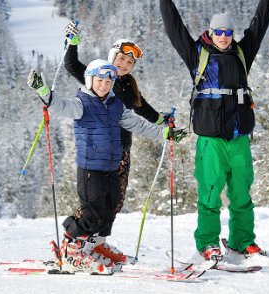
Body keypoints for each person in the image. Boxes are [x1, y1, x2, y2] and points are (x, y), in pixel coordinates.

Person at [156, 0, 269, 260]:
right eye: (219, 32)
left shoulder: (241, 52)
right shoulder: (197, 53)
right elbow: (175, 29)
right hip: (210, 138)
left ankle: (242, 240)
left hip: (238, 137)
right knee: (210, 193)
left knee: (242, 194)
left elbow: (259, 26)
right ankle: (207, 242)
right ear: (211, 31)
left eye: (228, 32)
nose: (224, 36)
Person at [27, 59, 185, 274]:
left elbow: (138, 124)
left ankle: (95, 246)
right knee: (93, 212)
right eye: (99, 80)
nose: (103, 85)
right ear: (90, 80)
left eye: (108, 81)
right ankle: (72, 249)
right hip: (90, 168)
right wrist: (43, 90)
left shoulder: (116, 105)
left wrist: (165, 133)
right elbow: (59, 105)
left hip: (111, 166)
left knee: (109, 209)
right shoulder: (81, 103)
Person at [63, 23, 168, 256]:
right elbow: (71, 65)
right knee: (95, 202)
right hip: (97, 151)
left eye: (130, 63)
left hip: (121, 151)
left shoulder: (129, 87)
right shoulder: (98, 76)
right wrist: (72, 43)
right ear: (112, 57)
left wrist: (162, 121)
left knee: (114, 201)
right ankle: (77, 240)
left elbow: (143, 109)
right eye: (121, 59)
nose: (124, 65)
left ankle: (98, 243)